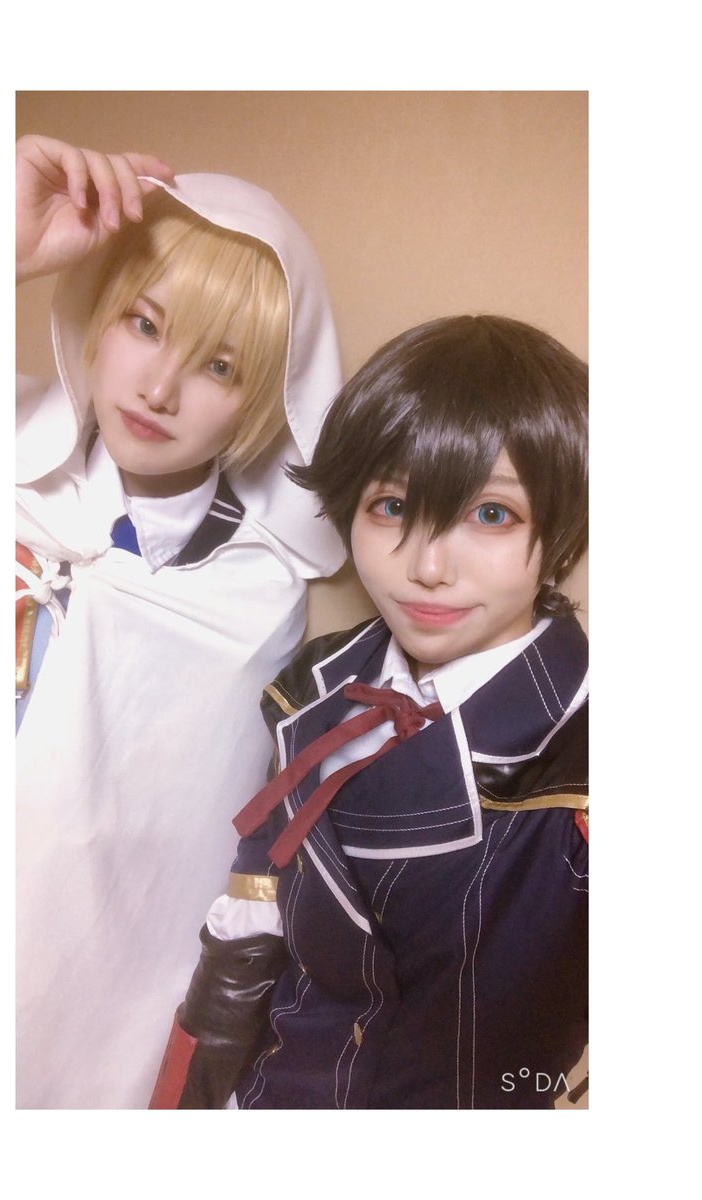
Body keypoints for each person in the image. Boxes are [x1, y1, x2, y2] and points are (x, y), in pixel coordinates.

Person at [150, 314, 588, 1110]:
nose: (427, 566)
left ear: (560, 532)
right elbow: (251, 917)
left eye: (492, 514)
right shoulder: (313, 685)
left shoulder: (585, 756)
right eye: (390, 506)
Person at [14, 134, 344, 1108]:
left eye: (219, 366)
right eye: (145, 324)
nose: (159, 388)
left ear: (264, 400)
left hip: (69, 1014)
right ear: (98, 313)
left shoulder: (255, 597)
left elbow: (180, 876)